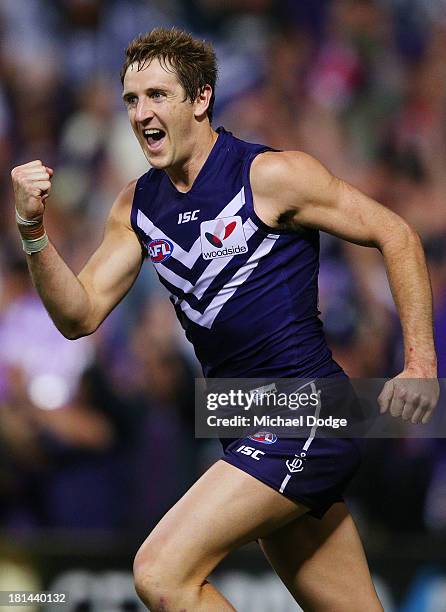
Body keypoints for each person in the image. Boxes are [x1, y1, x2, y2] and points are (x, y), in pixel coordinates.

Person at [11, 27, 439, 612]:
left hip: (307, 409)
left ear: (201, 99)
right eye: (132, 100)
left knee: (161, 573)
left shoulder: (270, 176)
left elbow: (397, 232)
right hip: (242, 418)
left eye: (159, 95)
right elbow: (78, 315)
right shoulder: (136, 206)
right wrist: (34, 232)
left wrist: (419, 362)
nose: (142, 114)